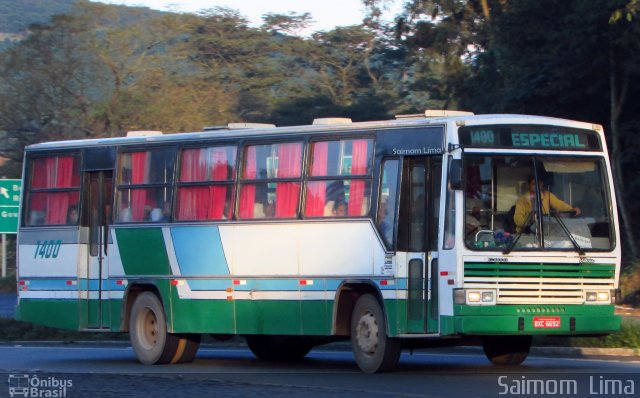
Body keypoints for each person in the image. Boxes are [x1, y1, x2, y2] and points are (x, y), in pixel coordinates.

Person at [514, 176, 581, 233]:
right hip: (527, 232)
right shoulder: (521, 200)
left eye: (538, 184)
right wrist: (530, 220)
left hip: (545, 231)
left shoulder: (547, 195)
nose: (536, 186)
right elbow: (517, 219)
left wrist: (571, 209)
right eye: (533, 184)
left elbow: (558, 204)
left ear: (541, 184)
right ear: (529, 185)